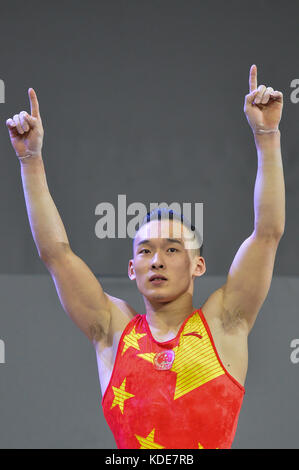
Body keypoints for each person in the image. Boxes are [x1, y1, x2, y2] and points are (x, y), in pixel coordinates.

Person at [6, 64, 285, 449]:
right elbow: (56, 254)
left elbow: (267, 233)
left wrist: (267, 135)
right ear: (131, 269)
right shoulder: (112, 330)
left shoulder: (226, 323)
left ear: (197, 265)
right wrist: (30, 161)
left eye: (172, 250)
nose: (157, 260)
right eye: (145, 252)